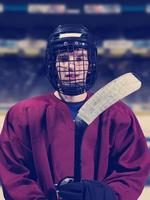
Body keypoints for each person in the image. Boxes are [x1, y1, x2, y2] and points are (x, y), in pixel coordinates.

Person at [0, 24, 149, 200]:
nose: (72, 67)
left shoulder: (118, 114)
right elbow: (14, 172)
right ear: (53, 65)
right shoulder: (22, 114)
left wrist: (105, 195)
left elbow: (132, 168)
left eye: (79, 59)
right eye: (64, 59)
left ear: (89, 64)